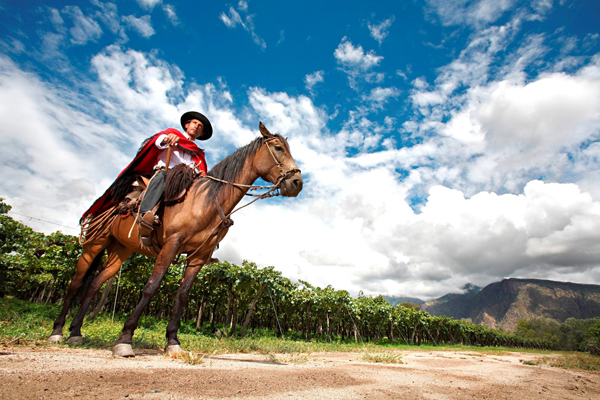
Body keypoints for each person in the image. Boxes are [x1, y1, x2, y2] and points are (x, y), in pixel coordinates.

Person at [81, 111, 213, 245]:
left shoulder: (198, 152)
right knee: (163, 176)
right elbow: (157, 142)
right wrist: (167, 139)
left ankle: (206, 236)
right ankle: (145, 214)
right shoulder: (172, 134)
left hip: (184, 182)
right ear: (186, 125)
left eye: (200, 126)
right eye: (194, 123)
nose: (196, 126)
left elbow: (201, 170)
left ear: (201, 134)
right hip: (165, 174)